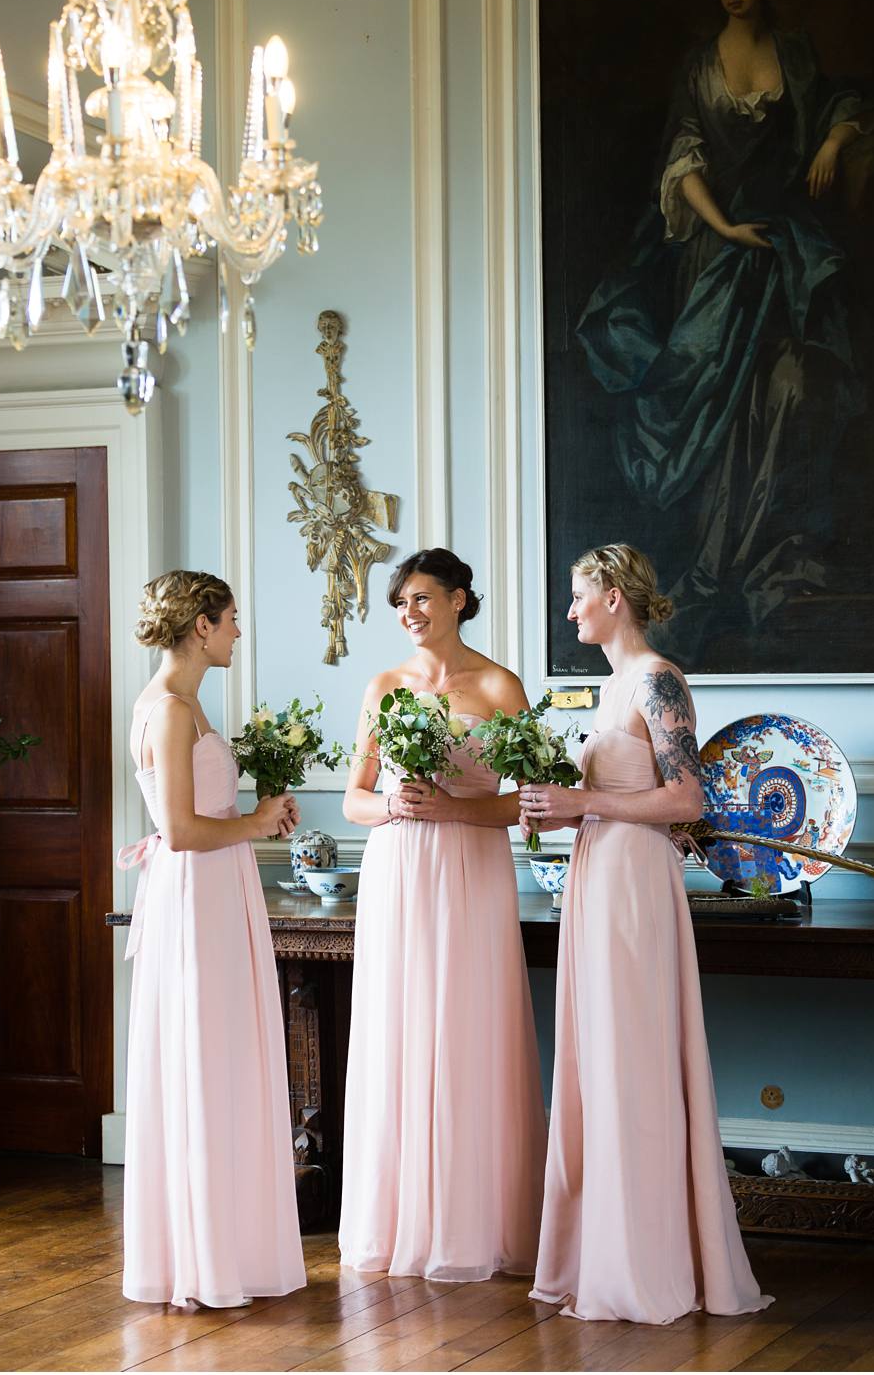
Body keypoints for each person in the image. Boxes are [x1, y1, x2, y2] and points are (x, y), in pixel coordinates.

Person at [578, 0, 871, 660]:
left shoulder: (794, 49)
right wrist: (726, 229)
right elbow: (683, 159)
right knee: (719, 400)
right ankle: (715, 567)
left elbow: (838, 104)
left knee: (783, 391)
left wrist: (833, 141)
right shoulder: (700, 64)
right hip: (718, 256)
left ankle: (765, 552)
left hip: (784, 248)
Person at [521, 544, 773, 1325]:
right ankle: (602, 1251)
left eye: (578, 595)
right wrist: (570, 805)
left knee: (631, 1060)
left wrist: (581, 804)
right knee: (597, 1060)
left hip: (634, 884)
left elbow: (685, 800)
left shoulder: (659, 678)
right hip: (601, 873)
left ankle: (647, 1264)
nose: (570, 611)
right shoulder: (609, 688)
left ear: (614, 598)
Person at [339, 548, 547, 1281]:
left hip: (471, 871)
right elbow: (353, 798)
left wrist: (458, 807)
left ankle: (476, 1225)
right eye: (401, 603)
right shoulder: (384, 686)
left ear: (460, 600)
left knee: (468, 1028)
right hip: (398, 871)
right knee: (399, 1030)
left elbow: (535, 802)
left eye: (423, 598)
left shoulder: (499, 686)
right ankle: (397, 1224)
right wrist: (394, 804)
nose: (410, 614)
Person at [120, 571, 305, 1308]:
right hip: (196, 898)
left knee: (222, 1059)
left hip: (219, 895)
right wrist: (255, 824)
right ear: (200, 624)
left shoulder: (189, 704)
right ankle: (197, 1259)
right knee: (202, 1059)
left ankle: (224, 1243)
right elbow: (183, 831)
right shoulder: (167, 708)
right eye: (231, 618)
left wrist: (258, 818)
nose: (237, 631)